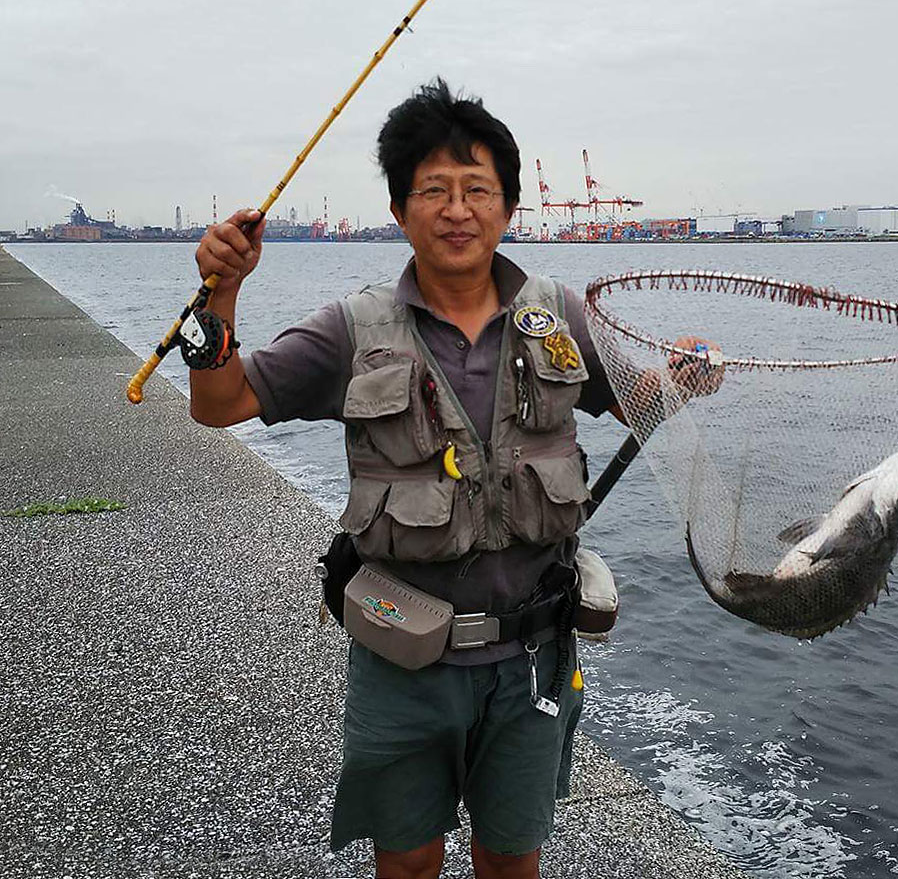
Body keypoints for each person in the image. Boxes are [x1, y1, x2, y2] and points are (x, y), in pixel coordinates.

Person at [189, 79, 721, 879]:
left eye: (478, 190)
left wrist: (681, 378)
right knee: (406, 861)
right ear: (400, 213)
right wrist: (223, 292)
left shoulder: (561, 317)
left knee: (512, 860)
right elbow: (219, 404)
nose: (457, 210)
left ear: (508, 208)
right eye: (432, 191)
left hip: (532, 656)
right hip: (403, 663)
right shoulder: (350, 330)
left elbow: (635, 401)